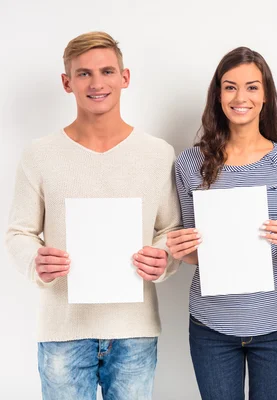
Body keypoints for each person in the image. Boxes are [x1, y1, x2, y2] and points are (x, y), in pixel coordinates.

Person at [5, 32, 182, 399]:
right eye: (84, 74)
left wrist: (162, 258)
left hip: (134, 332)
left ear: (125, 77)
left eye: (106, 71)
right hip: (63, 334)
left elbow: (171, 229)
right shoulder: (39, 155)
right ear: (66, 82)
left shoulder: (157, 154)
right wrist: (34, 261)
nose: (97, 83)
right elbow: (19, 233)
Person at [166, 46, 277, 400]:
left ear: (266, 96)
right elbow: (194, 248)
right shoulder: (188, 163)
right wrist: (183, 251)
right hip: (211, 325)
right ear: (217, 94)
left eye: (252, 87)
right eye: (230, 87)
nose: (240, 97)